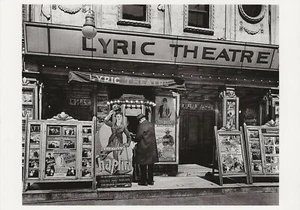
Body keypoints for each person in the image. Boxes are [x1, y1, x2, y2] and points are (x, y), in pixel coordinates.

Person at [134, 113, 159, 186]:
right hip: (151, 148)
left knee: (143, 165)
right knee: (151, 165)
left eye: (139, 120)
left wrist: (134, 139)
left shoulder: (141, 125)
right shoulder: (151, 124)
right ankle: (150, 181)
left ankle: (143, 181)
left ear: (141, 120)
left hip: (143, 148)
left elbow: (138, 137)